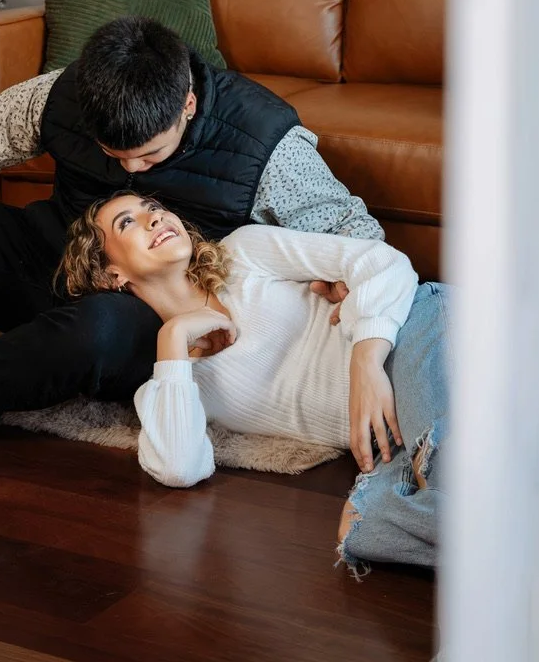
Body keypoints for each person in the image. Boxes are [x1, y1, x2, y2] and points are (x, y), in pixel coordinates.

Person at [0, 16, 383, 436]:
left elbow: (357, 238)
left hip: (141, 312)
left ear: (188, 104)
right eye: (114, 156)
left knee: (90, 333)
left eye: (147, 156)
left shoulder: (265, 140)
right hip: (54, 257)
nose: (131, 170)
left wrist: (343, 302)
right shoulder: (60, 95)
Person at [61, 192, 450, 572]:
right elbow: (180, 468)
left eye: (154, 208)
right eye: (127, 222)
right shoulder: (174, 377)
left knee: (443, 469)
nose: (154, 218)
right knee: (364, 533)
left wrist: (366, 361)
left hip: (421, 329)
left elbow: (379, 260)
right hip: (395, 436)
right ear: (111, 274)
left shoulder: (242, 252)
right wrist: (174, 336)